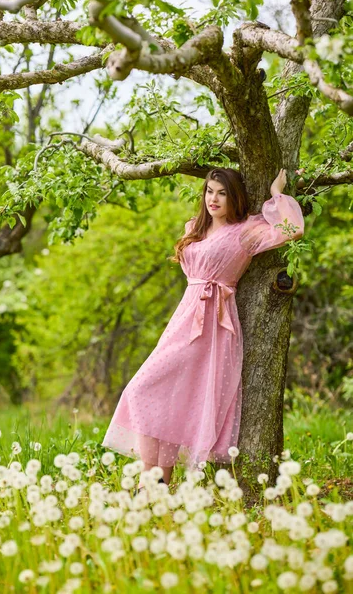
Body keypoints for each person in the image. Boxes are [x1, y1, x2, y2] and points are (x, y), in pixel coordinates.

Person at [101, 167, 305, 494]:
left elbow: (292, 229)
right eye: (210, 191)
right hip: (185, 318)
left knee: (160, 393)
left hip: (214, 324)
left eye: (222, 193)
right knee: (152, 393)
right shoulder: (194, 229)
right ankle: (156, 481)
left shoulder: (246, 231)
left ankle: (150, 483)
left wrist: (277, 192)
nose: (214, 199)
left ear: (234, 196)